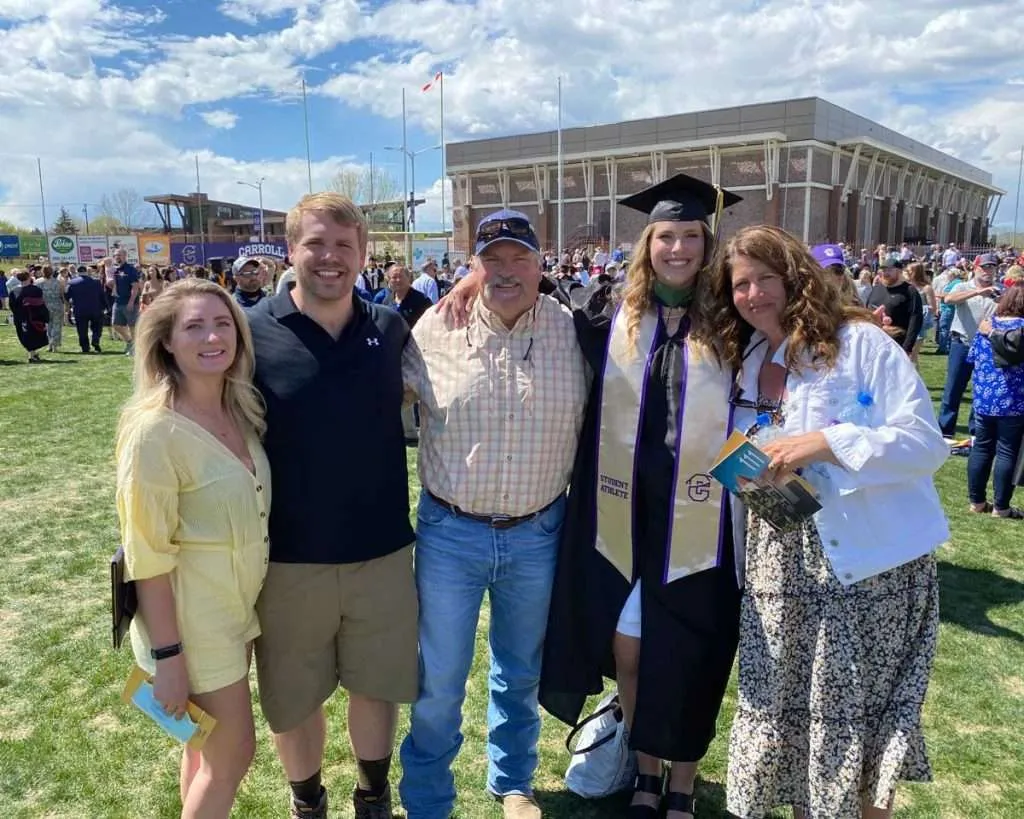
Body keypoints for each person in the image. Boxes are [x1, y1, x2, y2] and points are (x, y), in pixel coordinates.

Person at [708, 225, 947, 819]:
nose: (755, 293)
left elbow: (926, 444)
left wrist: (826, 441)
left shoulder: (860, 345)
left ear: (797, 277)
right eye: (742, 283)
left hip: (866, 565)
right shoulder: (752, 359)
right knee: (782, 714)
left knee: (859, 719)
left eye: (767, 277)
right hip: (779, 557)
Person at [537, 174, 745, 819]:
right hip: (621, 511)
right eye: (665, 236)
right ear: (646, 244)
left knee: (693, 649)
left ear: (708, 244)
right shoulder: (610, 315)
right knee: (629, 642)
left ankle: (680, 778)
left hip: (704, 517)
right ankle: (643, 763)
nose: (677, 248)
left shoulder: (735, 317)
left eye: (690, 236)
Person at [398, 210, 589, 819]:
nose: (506, 272)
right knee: (438, 680)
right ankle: (428, 796)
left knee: (520, 670)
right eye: (492, 260)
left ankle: (513, 783)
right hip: (450, 532)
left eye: (520, 259)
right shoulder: (434, 328)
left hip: (538, 531)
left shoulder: (576, 332)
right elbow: (379, 402)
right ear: (472, 267)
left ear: (542, 264)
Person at [246, 192, 418, 819]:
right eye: (316, 243)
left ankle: (373, 797)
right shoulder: (251, 331)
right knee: (296, 698)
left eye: (344, 245)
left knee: (377, 686)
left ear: (364, 254)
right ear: (291, 251)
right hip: (289, 558)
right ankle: (307, 803)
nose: (330, 257)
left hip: (381, 552)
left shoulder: (389, 327)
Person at [114, 278, 271, 818]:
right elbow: (147, 557)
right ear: (166, 343)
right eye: (194, 326)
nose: (212, 336)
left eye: (223, 323)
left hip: (234, 613)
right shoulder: (155, 432)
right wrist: (169, 659)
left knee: (203, 752)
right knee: (232, 756)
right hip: (189, 629)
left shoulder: (238, 409)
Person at [966, 285, 1024, 519]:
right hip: (1014, 401)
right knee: (1007, 452)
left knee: (981, 447)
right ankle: (1001, 507)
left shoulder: (987, 325)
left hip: (984, 399)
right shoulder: (1020, 329)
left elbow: (973, 358)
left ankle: (977, 502)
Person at [937, 254, 1000, 436]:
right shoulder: (963, 286)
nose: (988, 271)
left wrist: (1002, 300)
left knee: (981, 391)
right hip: (962, 343)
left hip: (987, 347)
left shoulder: (1000, 290)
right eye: (985, 267)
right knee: (953, 388)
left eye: (992, 267)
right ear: (975, 268)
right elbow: (948, 300)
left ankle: (976, 432)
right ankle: (945, 430)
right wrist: (978, 292)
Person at [864, 257, 922, 355]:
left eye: (889, 270)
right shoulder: (877, 289)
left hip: (897, 344)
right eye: (883, 270)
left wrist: (907, 347)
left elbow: (915, 320)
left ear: (899, 271)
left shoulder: (910, 291)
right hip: (873, 342)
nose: (885, 273)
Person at [9, 270, 49, 362]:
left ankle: (33, 354)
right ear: (28, 277)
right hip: (34, 317)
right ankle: (32, 355)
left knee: (25, 336)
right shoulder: (36, 290)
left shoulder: (14, 291)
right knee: (34, 336)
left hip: (20, 317)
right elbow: (41, 304)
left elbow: (12, 306)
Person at [66, 264, 106, 353]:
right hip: (95, 308)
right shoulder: (96, 282)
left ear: (77, 272)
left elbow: (67, 296)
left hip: (80, 309)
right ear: (86, 272)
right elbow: (102, 296)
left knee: (82, 329)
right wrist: (105, 307)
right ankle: (95, 339)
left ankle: (85, 347)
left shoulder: (72, 283)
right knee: (97, 327)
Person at [111, 247, 142, 355]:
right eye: (115, 255)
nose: (117, 257)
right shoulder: (116, 270)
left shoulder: (130, 269)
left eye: (119, 255)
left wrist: (131, 302)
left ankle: (135, 348)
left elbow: (135, 287)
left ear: (125, 256)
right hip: (118, 302)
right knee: (116, 325)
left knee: (132, 326)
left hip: (130, 302)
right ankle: (130, 342)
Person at [906, 262, 937, 363]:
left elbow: (933, 307)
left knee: (912, 354)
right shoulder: (906, 286)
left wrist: (919, 309)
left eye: (910, 271)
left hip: (919, 324)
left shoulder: (926, 288)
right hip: (906, 322)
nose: (907, 273)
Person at [37, 265, 65, 352]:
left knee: (47, 326)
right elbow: (61, 295)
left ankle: (49, 344)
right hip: (57, 305)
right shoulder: (58, 282)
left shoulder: (38, 282)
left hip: (44, 306)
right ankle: (55, 345)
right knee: (57, 326)